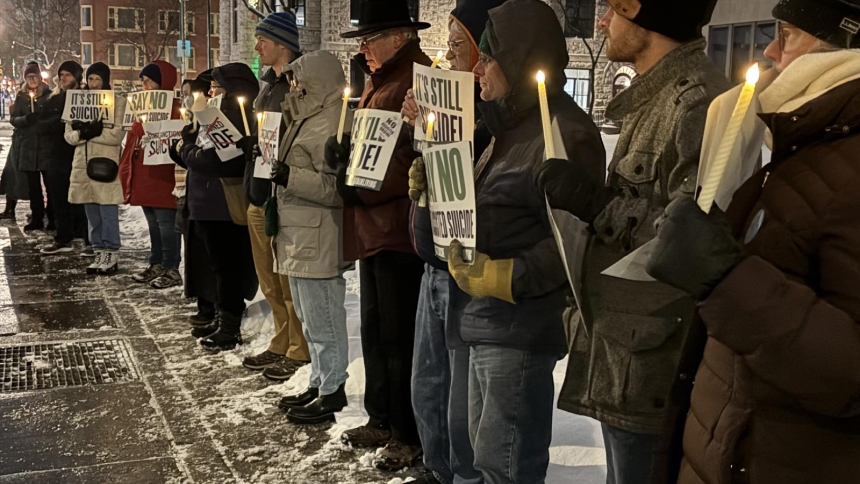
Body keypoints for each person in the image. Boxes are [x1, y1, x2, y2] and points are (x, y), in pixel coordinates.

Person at [645, 1, 860, 483]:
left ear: (846, 42)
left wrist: (728, 279)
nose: (770, 51)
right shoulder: (804, 143)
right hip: (731, 442)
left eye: (789, 35)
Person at [533, 0, 729, 483]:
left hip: (656, 360)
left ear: (649, 19)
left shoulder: (695, 104)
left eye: (614, 10)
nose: (601, 21)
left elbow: (695, 240)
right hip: (628, 349)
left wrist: (598, 205)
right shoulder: (655, 99)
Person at [437, 0, 605, 481]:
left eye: (488, 59)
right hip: (483, 319)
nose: (478, 69)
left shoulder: (565, 133)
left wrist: (508, 276)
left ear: (518, 61)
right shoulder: (506, 130)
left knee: (505, 464)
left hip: (520, 326)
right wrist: (441, 188)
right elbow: (495, 207)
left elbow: (575, 239)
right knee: (483, 458)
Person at [400, 0, 503, 482]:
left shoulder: (496, 115)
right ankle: (437, 466)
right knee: (428, 382)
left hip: (465, 266)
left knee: (460, 394)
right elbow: (432, 175)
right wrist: (419, 129)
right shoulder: (451, 104)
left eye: (458, 44)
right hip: (432, 262)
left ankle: (458, 472)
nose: (448, 54)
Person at [326, 0, 431, 470]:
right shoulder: (382, 81)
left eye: (370, 39)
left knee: (399, 333)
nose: (364, 49)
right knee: (375, 328)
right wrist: (344, 156)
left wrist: (357, 185)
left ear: (400, 37)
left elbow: (412, 156)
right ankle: (382, 416)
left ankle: (407, 430)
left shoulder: (416, 80)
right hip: (375, 227)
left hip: (399, 229)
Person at [269, 51, 352, 424]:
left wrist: (288, 176)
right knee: (308, 315)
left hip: (318, 236)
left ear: (317, 80)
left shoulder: (333, 121)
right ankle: (320, 381)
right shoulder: (308, 115)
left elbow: (336, 190)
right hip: (299, 232)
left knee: (324, 321)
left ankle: (333, 388)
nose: (294, 86)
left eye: (299, 79)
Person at [241, 11, 312, 378]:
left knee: (286, 276)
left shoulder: (297, 85)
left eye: (263, 40)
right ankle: (281, 337)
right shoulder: (267, 86)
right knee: (268, 276)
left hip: (280, 193)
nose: (257, 47)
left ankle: (298, 345)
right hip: (259, 189)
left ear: (282, 45)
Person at [179, 63, 259, 352]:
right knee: (214, 263)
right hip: (203, 200)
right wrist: (189, 145)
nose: (210, 92)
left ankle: (229, 326)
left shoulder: (236, 117)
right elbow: (195, 155)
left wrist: (188, 151)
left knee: (226, 265)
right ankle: (217, 314)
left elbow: (217, 160)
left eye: (216, 87)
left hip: (222, 202)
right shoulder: (209, 116)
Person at [119, 60, 182, 289]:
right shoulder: (141, 109)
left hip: (163, 177)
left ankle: (171, 267)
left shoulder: (175, 109)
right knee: (154, 225)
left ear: (162, 82)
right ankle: (157, 263)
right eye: (143, 81)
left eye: (149, 80)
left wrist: (144, 130)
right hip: (144, 176)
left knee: (167, 225)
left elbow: (172, 138)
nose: (144, 85)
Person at [65, 62, 125, 273]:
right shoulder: (77, 102)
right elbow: (69, 136)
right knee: (92, 213)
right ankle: (98, 250)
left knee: (107, 211)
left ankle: (111, 252)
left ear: (106, 81)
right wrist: (83, 133)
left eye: (97, 79)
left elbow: (117, 135)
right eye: (90, 79)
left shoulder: (118, 103)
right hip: (82, 165)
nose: (93, 83)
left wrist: (95, 132)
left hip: (105, 163)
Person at [173, 70, 220, 326]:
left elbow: (208, 159)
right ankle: (204, 303)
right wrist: (180, 149)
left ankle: (213, 307)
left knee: (211, 259)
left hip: (211, 198)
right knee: (197, 255)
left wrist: (188, 147)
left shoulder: (215, 120)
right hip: (194, 197)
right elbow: (189, 158)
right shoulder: (194, 122)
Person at [35, 60, 88, 255]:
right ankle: (63, 237)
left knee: (78, 199)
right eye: (62, 74)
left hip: (77, 154)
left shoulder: (83, 97)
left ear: (76, 77)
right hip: (55, 156)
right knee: (58, 198)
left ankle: (82, 234)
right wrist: (61, 123)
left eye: (68, 74)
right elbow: (40, 124)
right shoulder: (52, 98)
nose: (64, 78)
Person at [10, 62, 53, 232]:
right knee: (33, 187)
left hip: (45, 147)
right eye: (29, 77)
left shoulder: (48, 95)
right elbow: (14, 119)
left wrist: (42, 120)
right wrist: (26, 120)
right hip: (28, 147)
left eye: (34, 76)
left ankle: (52, 217)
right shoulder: (21, 97)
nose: (32, 80)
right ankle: (37, 217)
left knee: (50, 185)